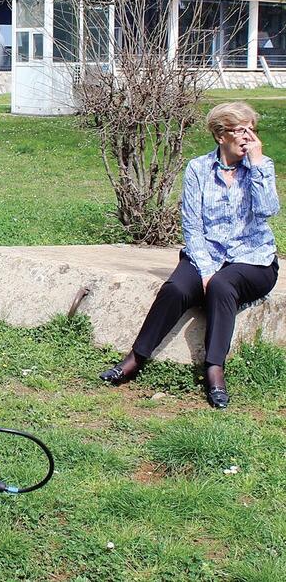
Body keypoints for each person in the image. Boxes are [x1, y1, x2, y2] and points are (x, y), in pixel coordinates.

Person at [100, 102, 280, 409]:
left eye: (252, 129)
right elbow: (192, 225)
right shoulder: (199, 168)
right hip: (205, 253)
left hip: (253, 259)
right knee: (177, 288)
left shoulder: (261, 166)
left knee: (224, 285)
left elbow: (267, 211)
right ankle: (135, 359)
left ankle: (214, 371)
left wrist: (258, 163)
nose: (248, 136)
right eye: (240, 129)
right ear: (221, 135)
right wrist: (206, 269)